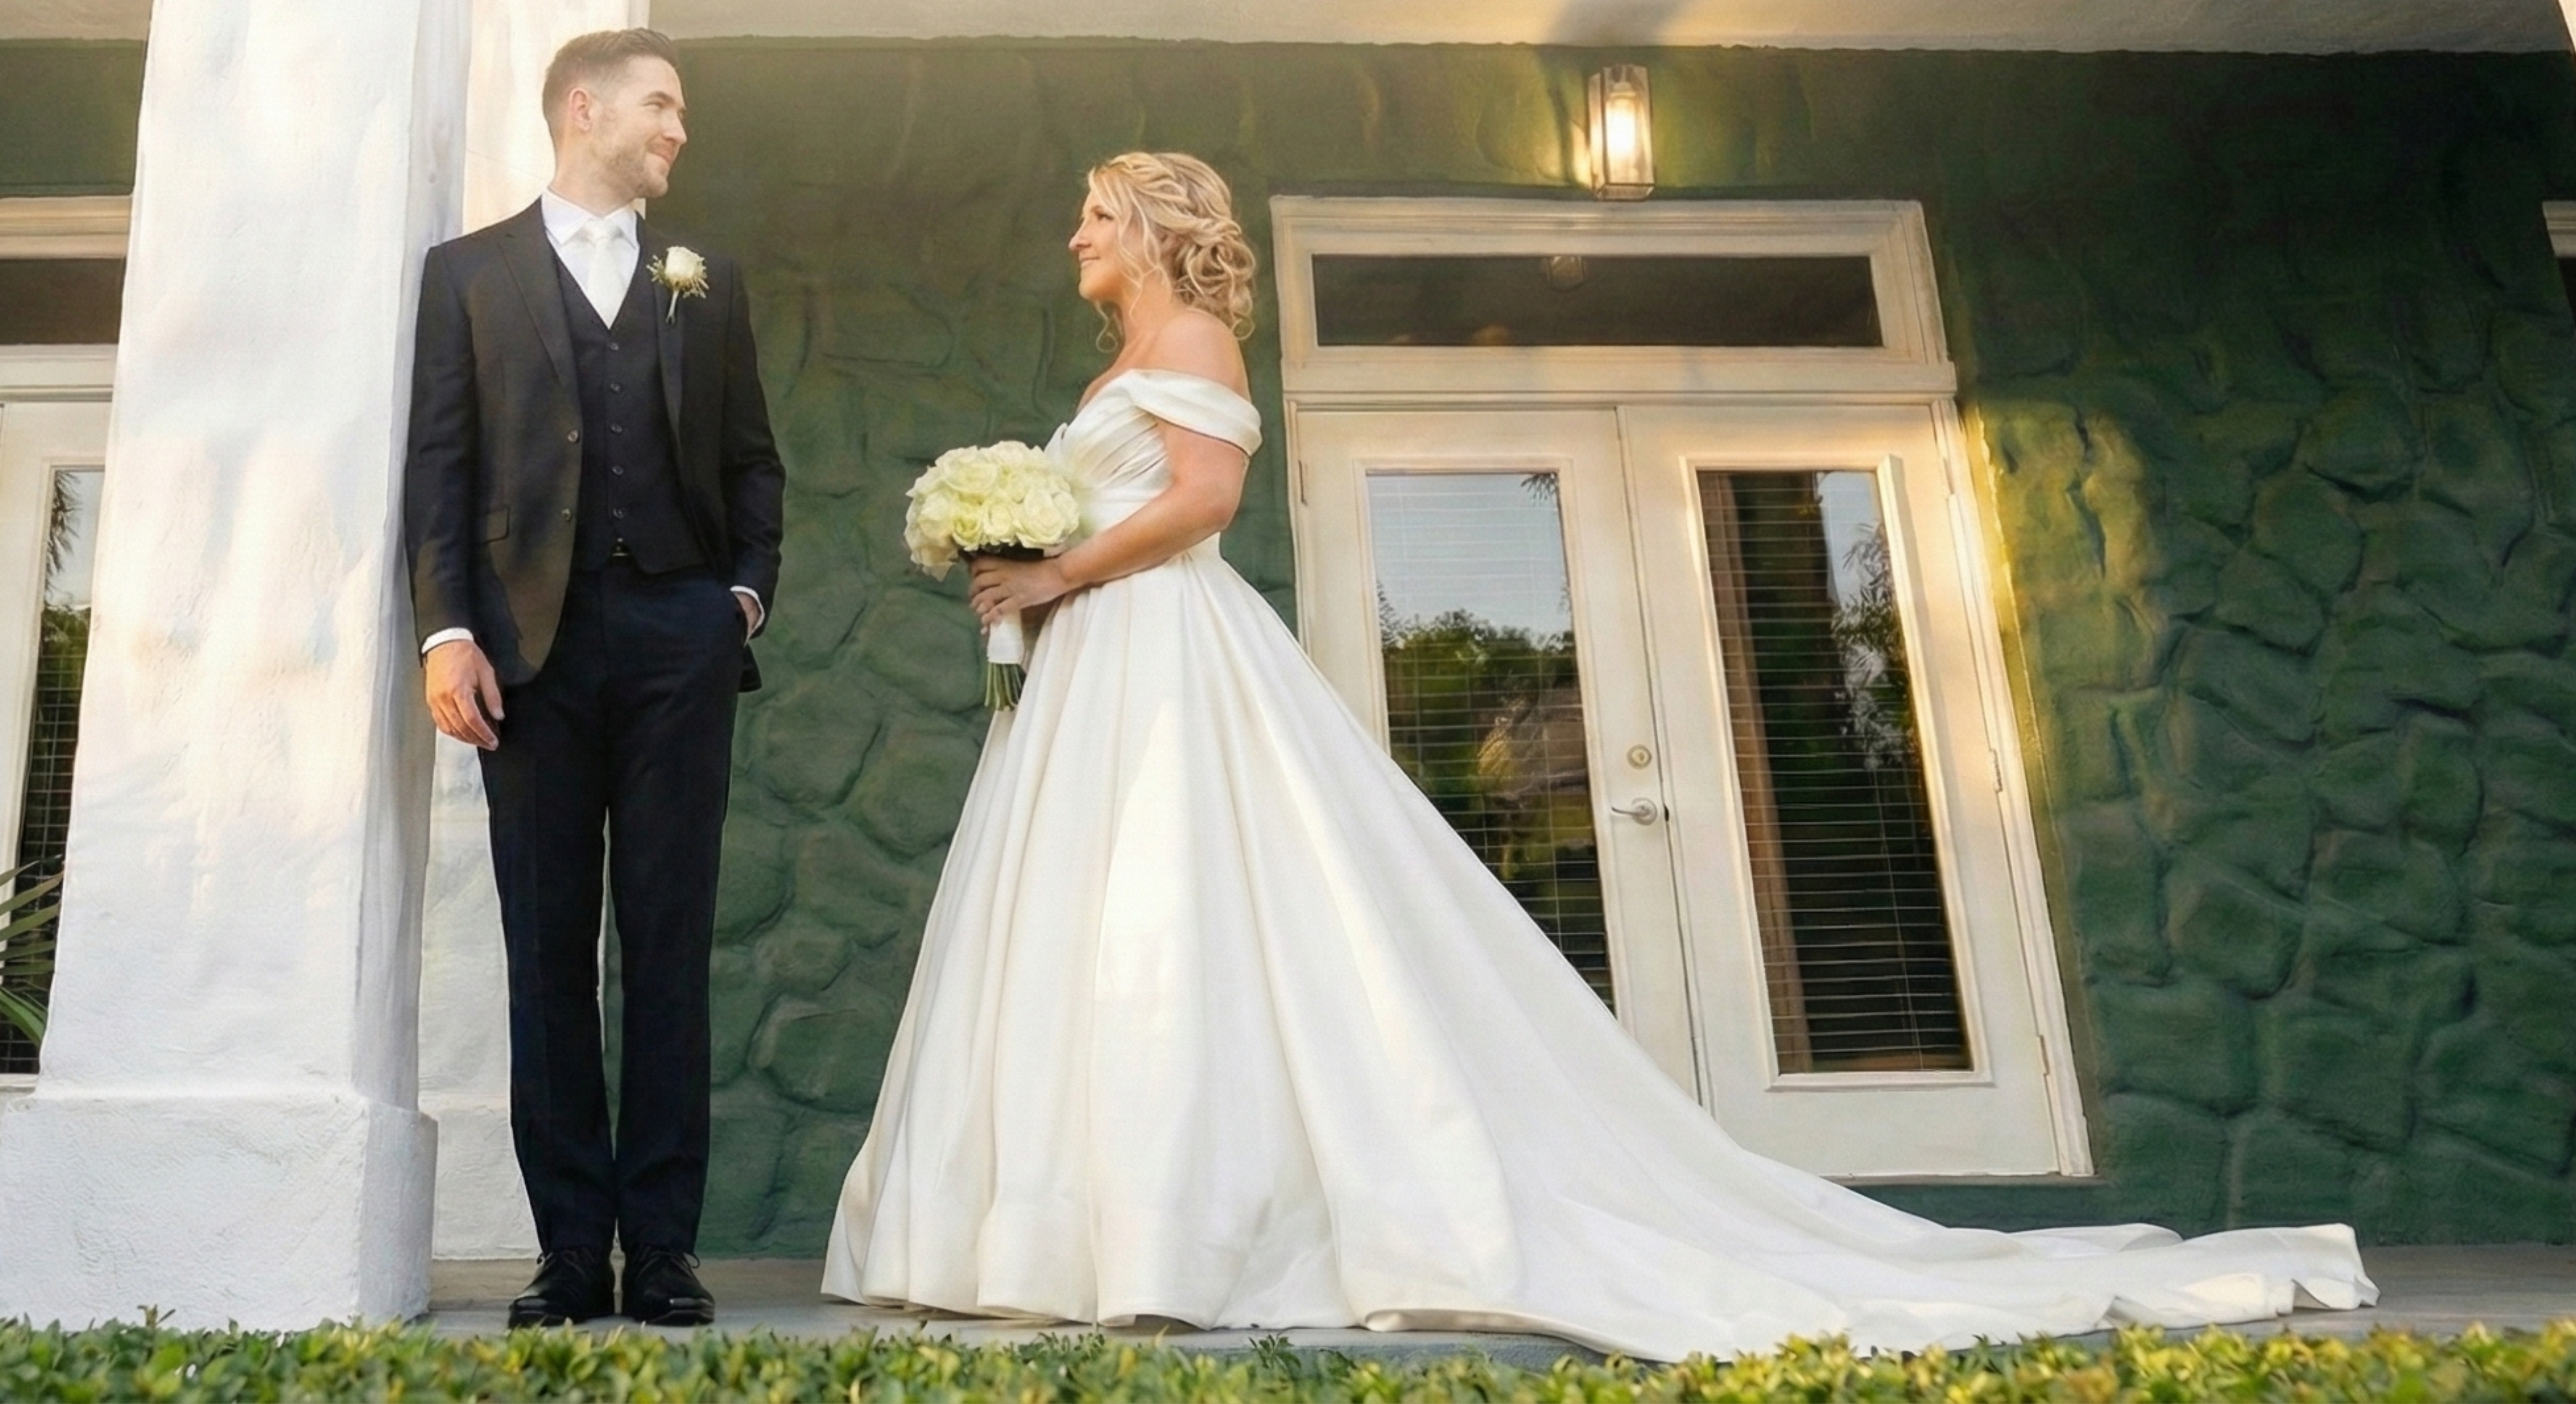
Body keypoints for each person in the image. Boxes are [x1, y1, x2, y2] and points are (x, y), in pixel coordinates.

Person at [820, 150, 2371, 1361]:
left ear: (1157, 228)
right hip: (1103, 665)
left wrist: (1056, 572)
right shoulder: (1129, 352)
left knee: (1196, 913)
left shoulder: (1202, 332)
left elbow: (1209, 505)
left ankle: (1181, 1229)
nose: (1076, 239)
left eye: (1094, 218)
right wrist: (1019, 555)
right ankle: (1060, 1234)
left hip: (1160, 648)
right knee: (1101, 938)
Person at [404, 27, 784, 1328]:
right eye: (662, 107)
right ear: (585, 107)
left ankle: (663, 1252)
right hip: (529, 657)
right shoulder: (466, 277)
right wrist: (445, 632)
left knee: (670, 948)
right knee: (547, 950)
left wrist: (740, 601)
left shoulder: (706, 282)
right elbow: (438, 472)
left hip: (681, 642)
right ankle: (572, 1250)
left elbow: (752, 462)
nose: (681, 131)